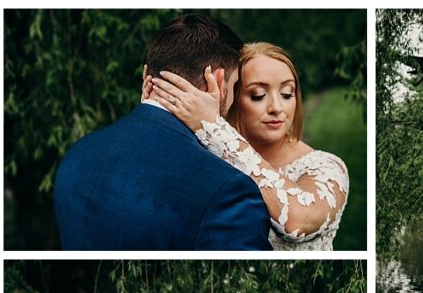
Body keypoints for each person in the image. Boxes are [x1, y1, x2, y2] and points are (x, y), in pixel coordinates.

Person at [54, 14, 271, 250]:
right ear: (217, 82)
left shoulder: (77, 154)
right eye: (234, 85)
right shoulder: (228, 192)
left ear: (147, 74)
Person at [145, 42, 349, 250]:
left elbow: (297, 220)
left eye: (287, 94)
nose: (277, 108)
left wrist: (213, 126)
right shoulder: (208, 154)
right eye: (258, 95)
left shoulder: (328, 167)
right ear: (231, 96)